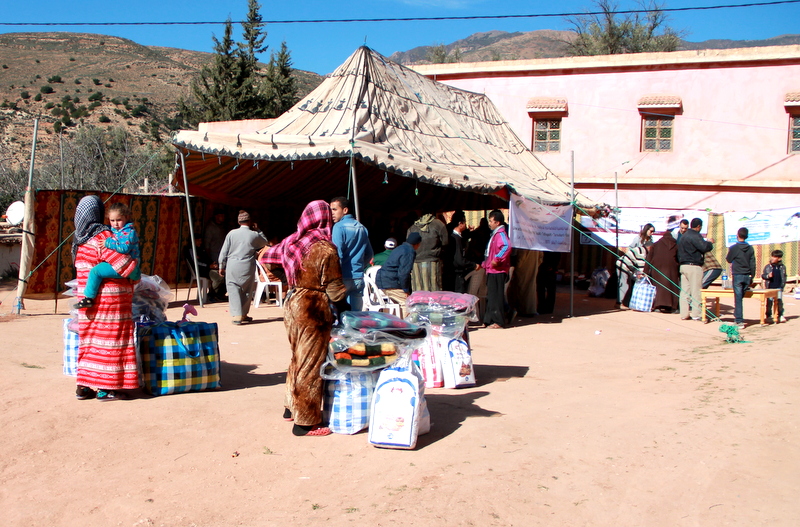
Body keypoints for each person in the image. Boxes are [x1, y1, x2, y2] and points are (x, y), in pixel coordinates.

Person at [261, 200, 347, 437]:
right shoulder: (326, 249)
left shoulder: (292, 241)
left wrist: (289, 278)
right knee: (311, 363)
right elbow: (335, 290)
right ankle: (306, 423)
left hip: (292, 303)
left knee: (297, 357)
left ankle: (290, 407)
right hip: (313, 307)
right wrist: (345, 309)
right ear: (325, 219)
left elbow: (266, 258)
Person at [72, 195, 139, 401]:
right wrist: (135, 273)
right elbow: (124, 264)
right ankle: (105, 388)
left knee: (89, 342)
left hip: (86, 299)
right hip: (110, 301)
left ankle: (83, 386)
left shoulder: (78, 240)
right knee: (110, 342)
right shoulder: (103, 236)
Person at [73, 202, 140, 310]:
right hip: (127, 268)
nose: (115, 224)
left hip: (129, 266)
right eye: (112, 220)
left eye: (119, 220)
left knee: (96, 271)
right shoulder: (115, 230)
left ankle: (88, 298)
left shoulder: (128, 232)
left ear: (127, 217)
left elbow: (124, 248)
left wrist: (108, 243)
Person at [218, 210, 268, 325]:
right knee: (247, 290)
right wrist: (258, 230)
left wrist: (221, 265)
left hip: (232, 265)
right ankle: (244, 314)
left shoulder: (231, 234)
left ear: (238, 222)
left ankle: (237, 315)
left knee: (233, 288)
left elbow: (224, 251)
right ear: (249, 222)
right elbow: (264, 242)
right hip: (247, 266)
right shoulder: (254, 235)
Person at [330, 196, 373, 311]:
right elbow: (369, 254)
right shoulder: (362, 228)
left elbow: (337, 255)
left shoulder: (338, 227)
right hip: (358, 277)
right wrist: (359, 266)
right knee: (355, 316)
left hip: (343, 277)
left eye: (334, 209)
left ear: (345, 210)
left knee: (339, 315)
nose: (332, 213)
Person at [376, 232, 422, 315]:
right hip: (391, 282)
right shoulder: (409, 252)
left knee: (396, 304)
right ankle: (404, 323)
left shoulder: (400, 248)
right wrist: (405, 290)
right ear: (417, 244)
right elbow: (403, 272)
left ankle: (395, 321)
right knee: (407, 304)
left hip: (382, 281)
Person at [677, 218, 713, 320]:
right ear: (698, 227)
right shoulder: (695, 235)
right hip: (693, 266)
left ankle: (684, 314)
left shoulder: (683, 236)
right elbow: (704, 247)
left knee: (684, 292)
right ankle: (696, 314)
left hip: (683, 266)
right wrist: (709, 243)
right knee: (696, 291)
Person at [482, 210, 511, 328]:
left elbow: (506, 246)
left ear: (497, 222)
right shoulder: (495, 234)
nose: (489, 223)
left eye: (491, 221)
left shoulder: (501, 234)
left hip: (498, 270)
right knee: (491, 296)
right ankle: (489, 319)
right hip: (492, 270)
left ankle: (498, 321)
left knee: (497, 296)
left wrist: (497, 259)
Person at [407, 210, 449, 292]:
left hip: (416, 263)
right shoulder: (438, 224)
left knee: (418, 290)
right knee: (434, 290)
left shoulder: (413, 226)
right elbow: (445, 242)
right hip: (433, 262)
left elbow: (408, 245)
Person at [645, 224, 679, 313]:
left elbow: (649, 258)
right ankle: (672, 306)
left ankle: (658, 305)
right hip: (672, 269)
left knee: (659, 287)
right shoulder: (675, 245)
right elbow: (678, 258)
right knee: (672, 287)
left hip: (657, 269)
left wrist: (645, 271)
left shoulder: (656, 245)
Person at [726, 227, 756, 328]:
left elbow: (729, 259)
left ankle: (739, 320)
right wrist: (752, 276)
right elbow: (752, 263)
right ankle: (737, 316)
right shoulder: (750, 248)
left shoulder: (734, 248)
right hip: (747, 275)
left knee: (738, 298)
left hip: (737, 275)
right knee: (740, 297)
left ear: (737, 235)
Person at [443, 211, 479, 293]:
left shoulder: (454, 237)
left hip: (451, 274)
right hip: (457, 275)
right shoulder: (456, 239)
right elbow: (459, 260)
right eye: (465, 222)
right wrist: (473, 265)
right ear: (460, 223)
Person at [184, 235, 225, 302]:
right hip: (201, 270)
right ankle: (211, 295)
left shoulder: (201, 249)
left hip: (208, 268)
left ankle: (219, 294)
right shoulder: (190, 249)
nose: (200, 242)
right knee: (219, 277)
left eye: (201, 240)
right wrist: (208, 266)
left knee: (226, 275)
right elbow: (195, 262)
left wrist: (213, 264)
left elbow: (207, 258)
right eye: (198, 240)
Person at [762, 249, 787, 323]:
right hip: (770, 287)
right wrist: (768, 276)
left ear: (779, 258)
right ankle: (769, 316)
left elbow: (784, 276)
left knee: (779, 301)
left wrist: (782, 285)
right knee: (769, 302)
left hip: (778, 287)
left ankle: (780, 315)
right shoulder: (768, 267)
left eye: (775, 257)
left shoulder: (782, 267)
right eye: (772, 256)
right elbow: (763, 275)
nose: (772, 258)